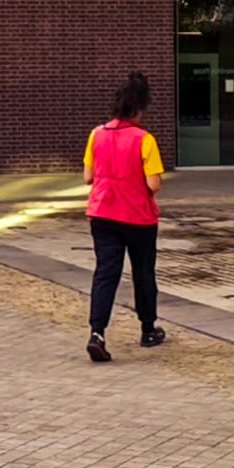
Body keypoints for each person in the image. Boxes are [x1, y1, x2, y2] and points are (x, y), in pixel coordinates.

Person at [84, 71, 168, 363]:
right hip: (137, 217)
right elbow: (154, 184)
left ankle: (97, 332)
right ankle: (147, 328)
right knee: (143, 272)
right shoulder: (145, 140)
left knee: (106, 272)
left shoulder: (97, 134)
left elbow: (88, 177)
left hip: (102, 213)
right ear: (140, 108)